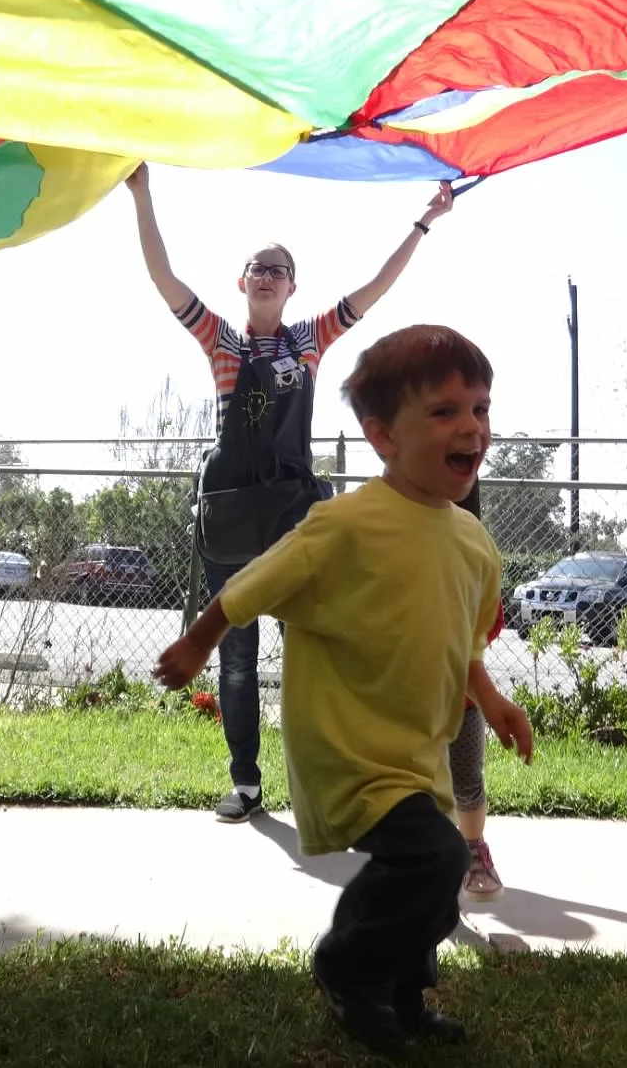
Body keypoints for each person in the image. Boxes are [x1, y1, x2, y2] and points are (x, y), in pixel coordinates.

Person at [155, 324, 534, 1053]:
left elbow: (461, 643)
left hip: (417, 752)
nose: (472, 428)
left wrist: (493, 700)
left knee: (426, 872)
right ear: (383, 434)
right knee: (437, 857)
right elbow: (252, 583)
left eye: (482, 409)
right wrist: (199, 640)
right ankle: (345, 966)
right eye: (447, 411)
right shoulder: (344, 525)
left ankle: (401, 995)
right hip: (349, 747)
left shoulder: (473, 543)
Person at [126, 163, 455, 823]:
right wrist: (142, 193)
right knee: (237, 656)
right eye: (257, 266)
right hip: (230, 516)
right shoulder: (219, 339)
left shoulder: (309, 342)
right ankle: (245, 782)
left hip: (294, 515)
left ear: (292, 284)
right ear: (242, 282)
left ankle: (343, 781)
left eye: (278, 267)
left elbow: (373, 290)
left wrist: (424, 222)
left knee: (325, 645)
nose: (267, 274)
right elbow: (165, 279)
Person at [451, 478, 506, 902]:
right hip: (406, 702)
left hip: (462, 699)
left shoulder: (474, 550)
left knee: (467, 780)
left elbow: (492, 618)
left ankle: (473, 851)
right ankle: (422, 862)